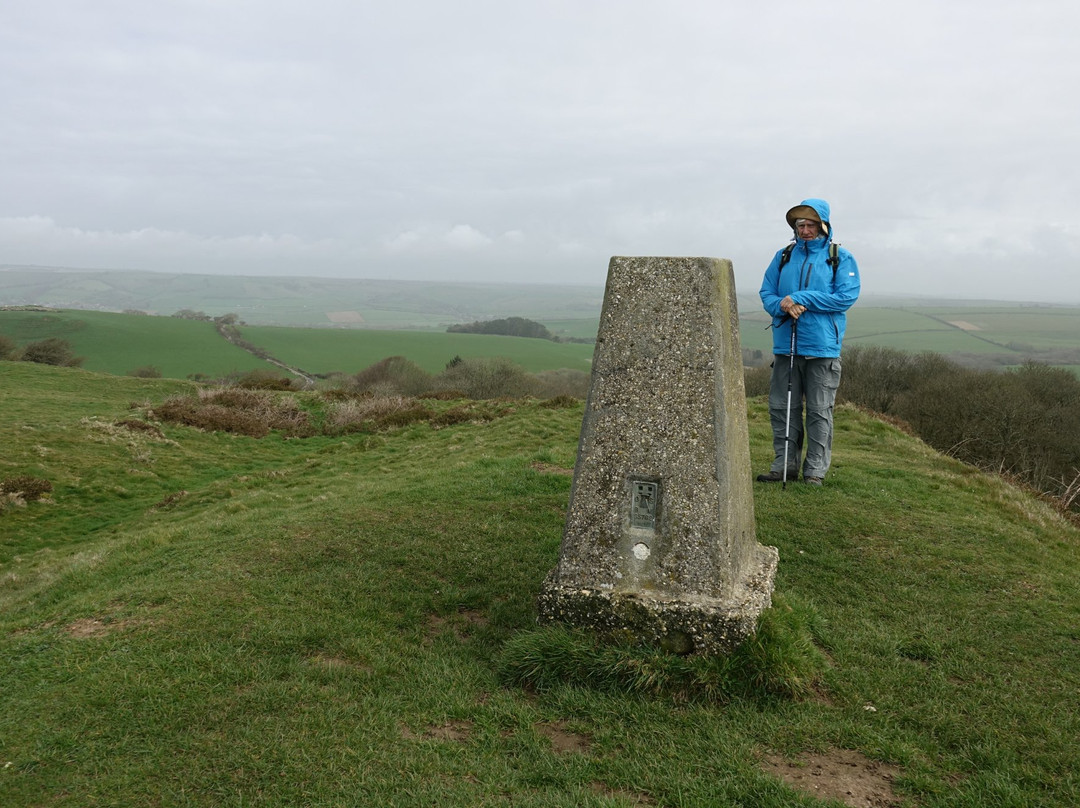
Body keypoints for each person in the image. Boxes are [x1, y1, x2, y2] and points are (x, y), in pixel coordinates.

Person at [756, 198, 860, 486]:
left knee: (818, 411)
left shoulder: (839, 257)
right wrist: (783, 306)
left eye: (811, 224)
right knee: (781, 408)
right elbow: (767, 291)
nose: (805, 230)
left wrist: (801, 298)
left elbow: (845, 297)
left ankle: (814, 470)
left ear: (823, 226)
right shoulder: (783, 256)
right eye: (800, 224)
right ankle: (784, 465)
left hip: (822, 348)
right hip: (785, 345)